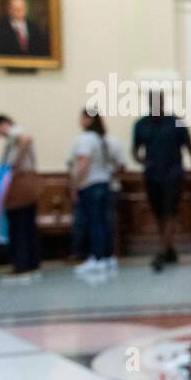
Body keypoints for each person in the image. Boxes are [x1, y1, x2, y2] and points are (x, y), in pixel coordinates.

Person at [133, 98, 191, 272]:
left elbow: (189, 145)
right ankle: (169, 248)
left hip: (173, 174)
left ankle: (162, 251)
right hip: (152, 175)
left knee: (170, 211)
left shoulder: (176, 122)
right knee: (159, 213)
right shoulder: (141, 124)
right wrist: (143, 160)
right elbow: (135, 149)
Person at [0, 114, 42, 283]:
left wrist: (13, 168)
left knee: (18, 227)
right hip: (25, 184)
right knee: (27, 226)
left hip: (19, 185)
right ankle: (31, 265)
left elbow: (25, 140)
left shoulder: (15, 132)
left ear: (3, 124)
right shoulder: (13, 136)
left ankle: (21, 266)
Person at [68, 109, 117, 276]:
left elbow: (84, 163)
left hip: (89, 184)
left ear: (88, 119)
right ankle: (107, 255)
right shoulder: (100, 139)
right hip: (103, 183)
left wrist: (74, 185)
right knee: (103, 222)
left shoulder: (86, 139)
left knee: (94, 223)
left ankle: (97, 257)